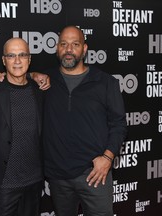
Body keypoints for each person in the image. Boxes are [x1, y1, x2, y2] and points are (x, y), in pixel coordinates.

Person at [43, 26, 127, 216]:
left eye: (75, 44)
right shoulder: (46, 80)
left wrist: (107, 158)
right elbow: (18, 77)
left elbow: (119, 124)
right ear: (57, 48)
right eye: (64, 44)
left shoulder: (105, 82)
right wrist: (31, 74)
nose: (69, 49)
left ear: (85, 48)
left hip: (95, 174)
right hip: (58, 177)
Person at [0, 37, 44, 216]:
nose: (17, 61)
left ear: (29, 59)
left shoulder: (39, 90)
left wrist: (34, 75)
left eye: (22, 55)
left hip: (34, 182)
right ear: (4, 60)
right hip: (4, 185)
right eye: (11, 55)